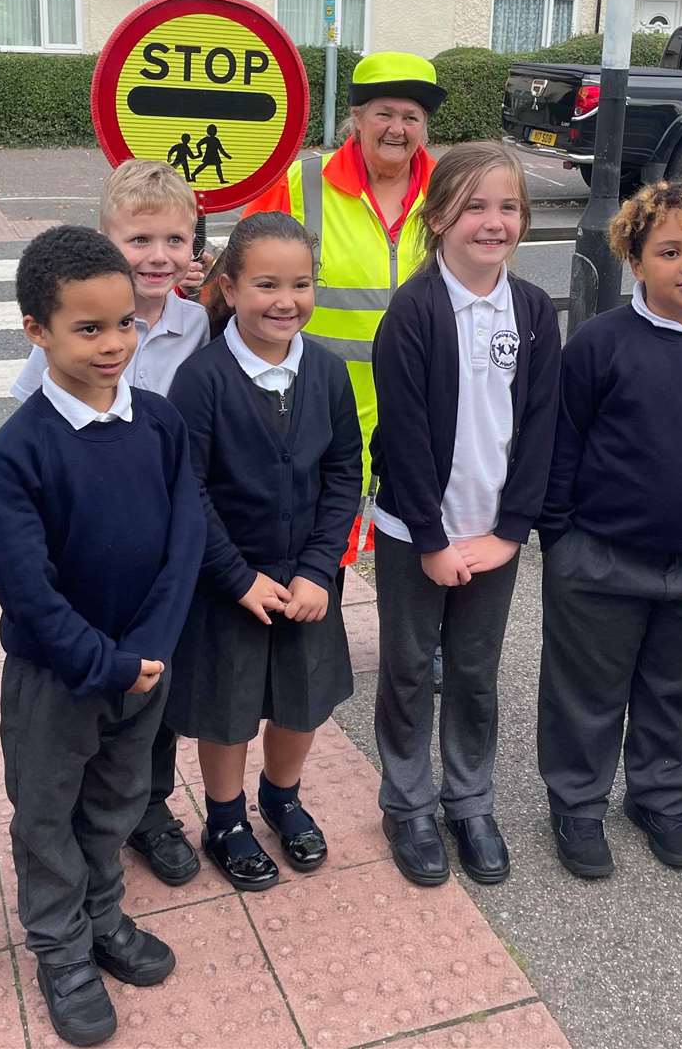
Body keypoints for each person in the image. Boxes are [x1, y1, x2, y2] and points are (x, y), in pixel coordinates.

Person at [0, 226, 206, 1047]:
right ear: (36, 331)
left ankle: (103, 918)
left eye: (124, 325)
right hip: (59, 678)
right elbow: (27, 588)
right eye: (87, 328)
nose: (113, 344)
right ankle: (61, 948)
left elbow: (185, 537)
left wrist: (149, 649)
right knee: (46, 814)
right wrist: (103, 662)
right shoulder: (19, 453)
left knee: (115, 802)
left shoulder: (158, 424)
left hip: (145, 667)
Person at [537, 181, 682, 879]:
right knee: (586, 692)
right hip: (601, 560)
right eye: (669, 251)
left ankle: (660, 797)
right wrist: (560, 540)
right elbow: (562, 446)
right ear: (635, 260)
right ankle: (577, 805)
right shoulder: (598, 345)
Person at [11, 161, 210, 891]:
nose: (158, 256)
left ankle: (148, 810)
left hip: (173, 537)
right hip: (92, 549)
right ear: (106, 242)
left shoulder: (202, 322)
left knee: (160, 688)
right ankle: (93, 830)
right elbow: (37, 433)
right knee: (94, 703)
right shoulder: (71, 333)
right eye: (138, 239)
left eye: (174, 240)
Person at [370, 142, 561, 887]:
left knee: (476, 673)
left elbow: (541, 425)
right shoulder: (413, 312)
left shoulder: (533, 310)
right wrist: (429, 537)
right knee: (410, 668)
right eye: (474, 206)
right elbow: (405, 436)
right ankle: (407, 801)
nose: (493, 222)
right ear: (439, 216)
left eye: (507, 206)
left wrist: (510, 530)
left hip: (493, 536)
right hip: (416, 531)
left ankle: (469, 801)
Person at [164, 212, 362, 892]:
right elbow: (188, 488)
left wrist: (318, 570)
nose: (285, 300)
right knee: (227, 706)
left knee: (299, 700)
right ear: (228, 287)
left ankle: (282, 796)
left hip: (307, 583)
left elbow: (344, 475)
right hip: (229, 585)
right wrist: (235, 576)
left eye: (300, 284)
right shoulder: (202, 379)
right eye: (266, 284)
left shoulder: (329, 375)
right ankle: (224, 817)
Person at [243, 51, 447, 569]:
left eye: (411, 117)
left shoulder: (451, 191)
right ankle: (314, 646)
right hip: (315, 404)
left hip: (421, 406)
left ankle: (420, 650)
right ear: (355, 117)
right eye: (384, 113)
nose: (397, 129)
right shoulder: (297, 184)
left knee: (422, 542)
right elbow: (245, 277)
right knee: (316, 545)